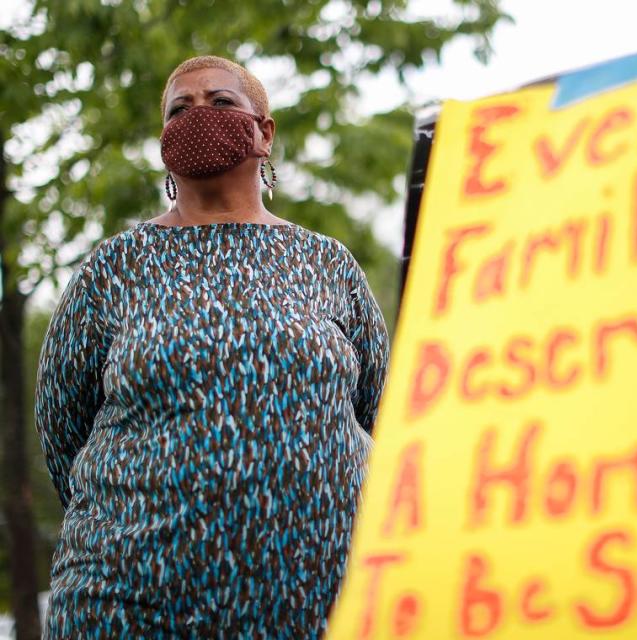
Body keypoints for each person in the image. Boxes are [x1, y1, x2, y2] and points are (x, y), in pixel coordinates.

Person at [34, 55, 390, 638]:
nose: (199, 115)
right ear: (164, 143)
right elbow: (62, 430)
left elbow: (380, 413)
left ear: (264, 132)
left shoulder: (327, 263)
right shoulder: (114, 268)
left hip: (320, 604)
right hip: (132, 606)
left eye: (221, 102)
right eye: (181, 109)